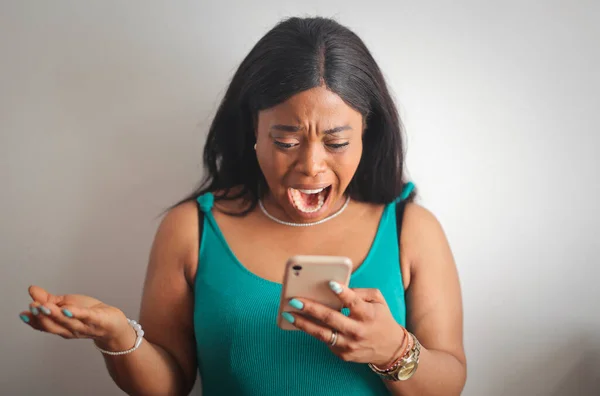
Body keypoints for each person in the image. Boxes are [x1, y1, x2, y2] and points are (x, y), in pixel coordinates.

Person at [19, 16, 466, 395]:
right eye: (286, 140)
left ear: (368, 136)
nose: (311, 165)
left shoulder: (411, 229)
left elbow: (450, 382)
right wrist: (117, 335)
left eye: (337, 142)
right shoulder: (191, 229)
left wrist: (394, 350)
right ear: (252, 129)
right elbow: (168, 383)